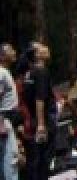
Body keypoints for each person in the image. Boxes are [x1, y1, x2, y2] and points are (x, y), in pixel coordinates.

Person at [20, 42, 55, 180]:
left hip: (34, 119)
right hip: (43, 120)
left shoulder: (30, 73)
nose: (46, 47)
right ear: (37, 54)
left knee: (37, 160)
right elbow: (39, 99)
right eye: (42, 46)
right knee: (44, 160)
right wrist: (41, 124)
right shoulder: (41, 71)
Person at [0, 43, 21, 180]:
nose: (14, 52)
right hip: (3, 121)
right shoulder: (1, 73)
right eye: (11, 50)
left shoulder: (5, 71)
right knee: (10, 161)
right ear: (2, 56)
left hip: (8, 121)